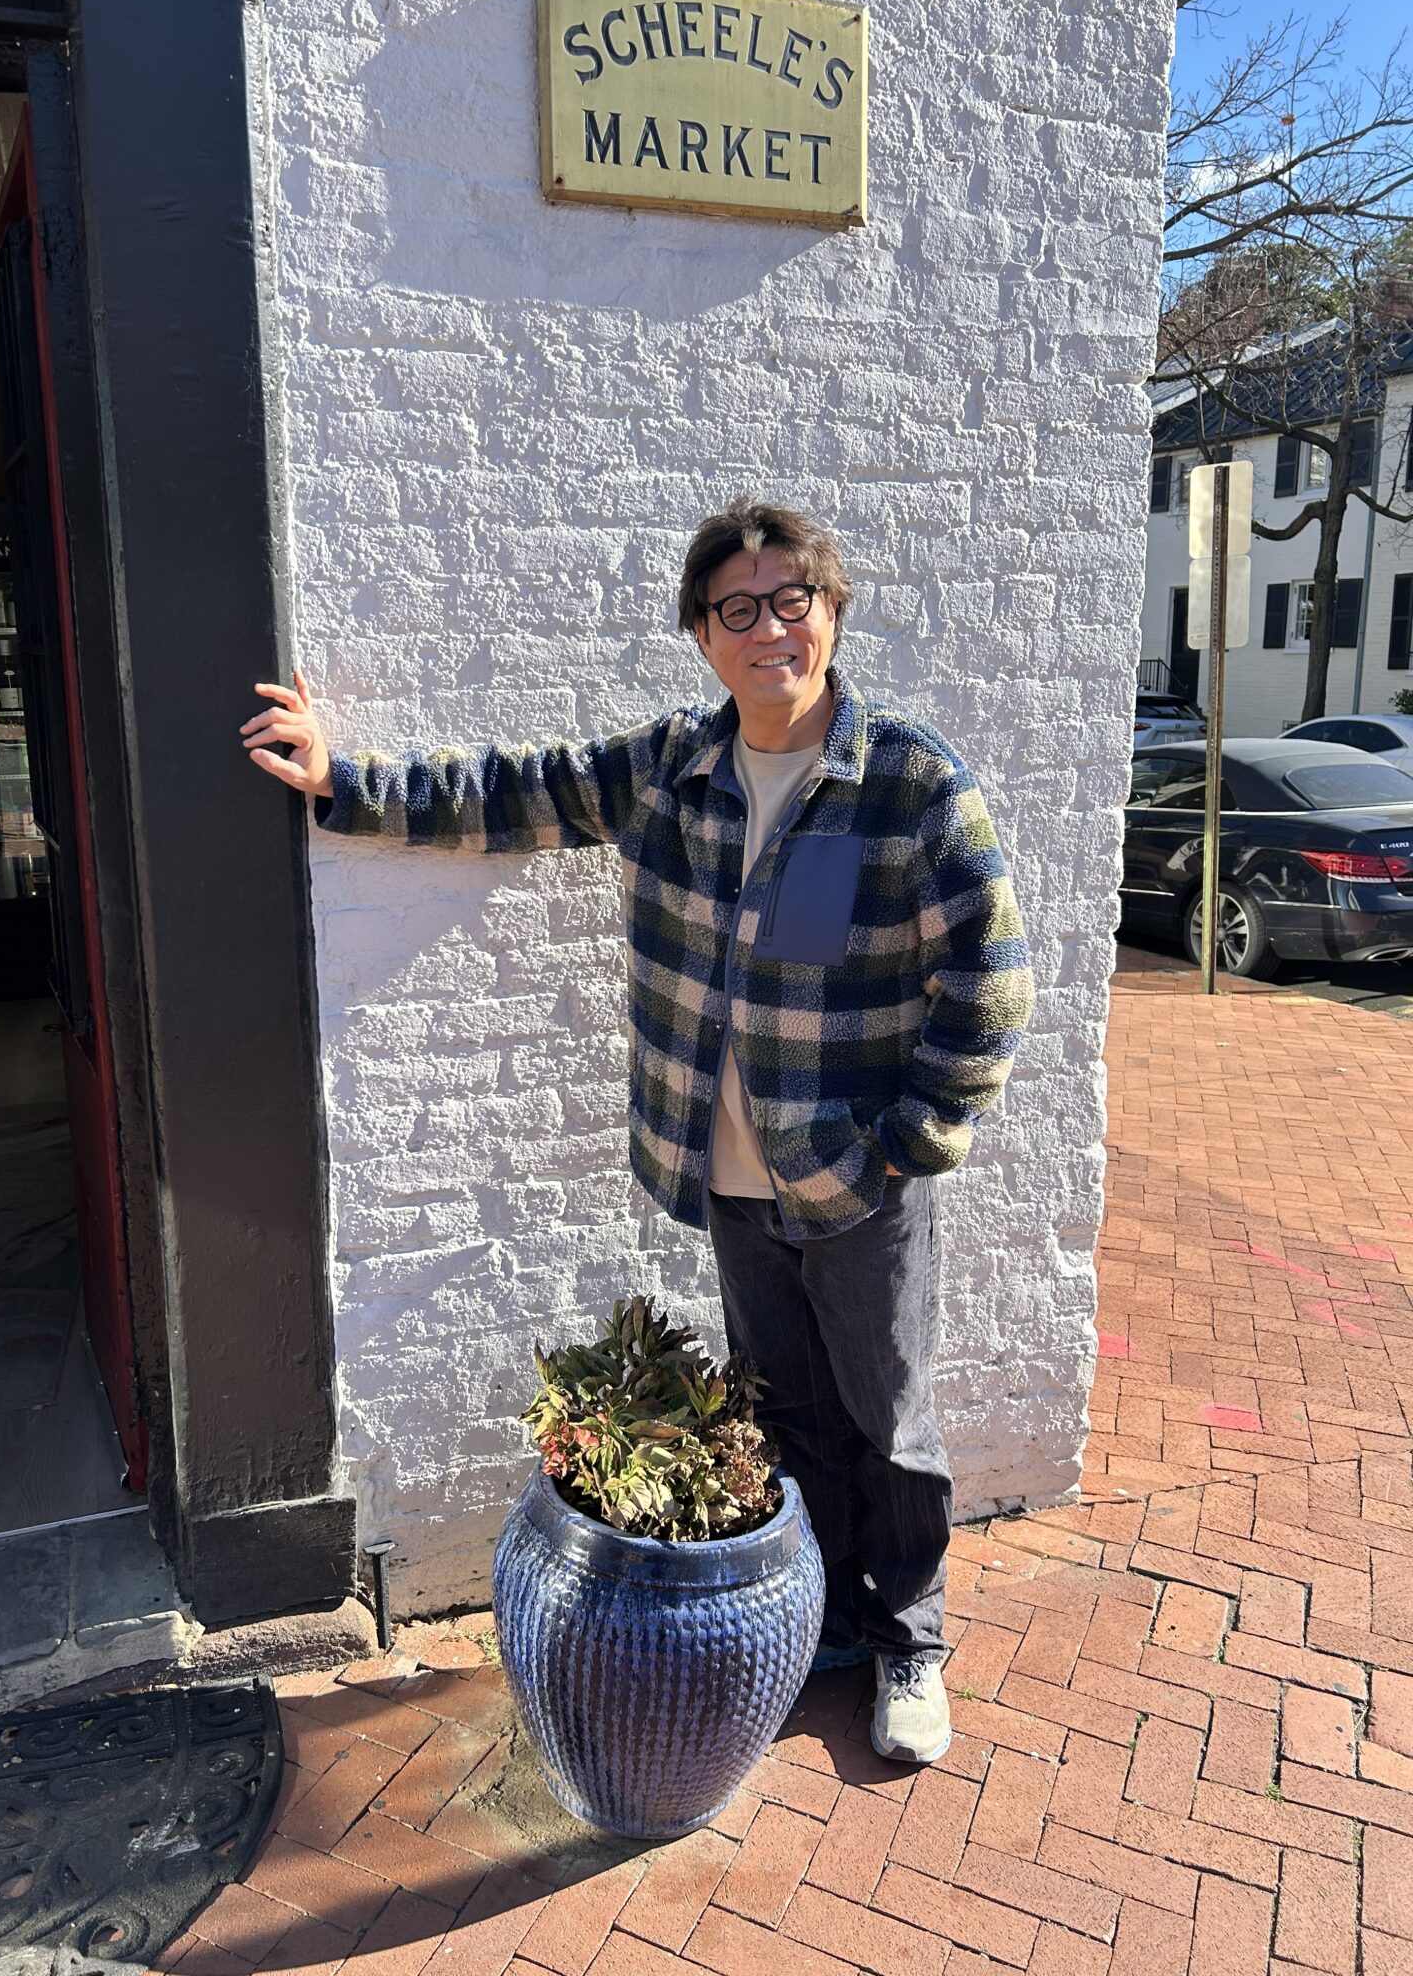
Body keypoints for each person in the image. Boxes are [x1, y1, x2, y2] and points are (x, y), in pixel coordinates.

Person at [240, 497, 1035, 1764]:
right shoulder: (674, 766)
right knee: (785, 1411)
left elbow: (989, 979)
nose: (770, 628)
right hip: (730, 1176)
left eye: (792, 600)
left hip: (856, 1180)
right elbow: (517, 791)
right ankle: (827, 1619)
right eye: (738, 608)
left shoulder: (909, 785)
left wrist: (906, 1142)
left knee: (891, 1422)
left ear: (832, 614)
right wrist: (346, 782)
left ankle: (910, 1641)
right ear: (704, 634)